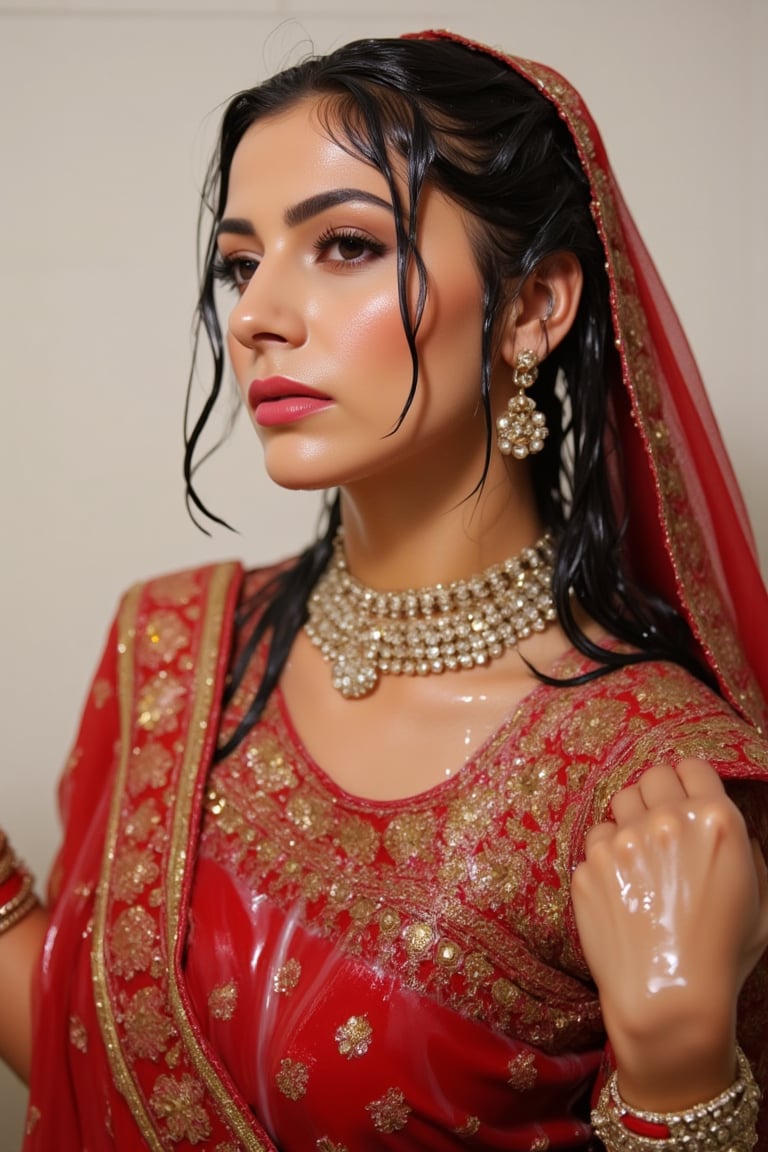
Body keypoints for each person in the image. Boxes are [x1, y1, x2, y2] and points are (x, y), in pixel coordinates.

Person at [1, 27, 767, 1152]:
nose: (257, 314)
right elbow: (92, 1053)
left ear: (533, 308)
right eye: (239, 261)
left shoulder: (653, 778)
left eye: (347, 246)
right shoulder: (174, 649)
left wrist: (680, 1069)